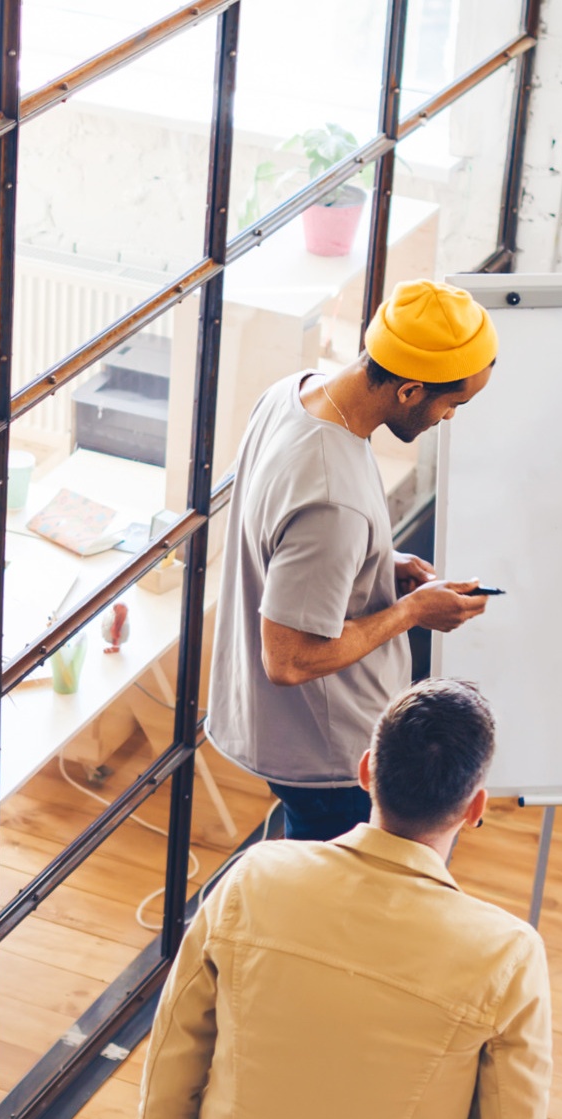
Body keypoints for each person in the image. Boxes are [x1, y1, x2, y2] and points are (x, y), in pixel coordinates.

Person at [131, 679, 549, 1119]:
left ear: (366, 770)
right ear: (475, 807)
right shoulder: (506, 955)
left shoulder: (253, 880)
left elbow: (175, 1052)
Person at [210, 280, 496, 841]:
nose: (451, 418)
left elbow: (281, 536)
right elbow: (289, 660)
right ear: (411, 390)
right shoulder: (332, 499)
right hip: (330, 757)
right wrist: (412, 612)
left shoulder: (295, 394)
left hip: (289, 732)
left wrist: (374, 562)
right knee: (332, 907)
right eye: (453, 403)